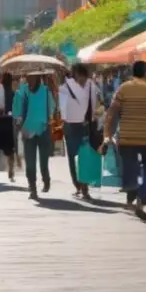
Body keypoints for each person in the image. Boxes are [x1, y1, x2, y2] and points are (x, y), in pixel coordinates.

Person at [102, 61, 146, 215]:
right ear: (145, 73)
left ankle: (132, 190)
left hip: (128, 136)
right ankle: (142, 197)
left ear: (132, 73)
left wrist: (107, 133)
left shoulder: (123, 88)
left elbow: (112, 112)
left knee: (130, 166)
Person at [14, 70, 55, 200]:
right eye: (28, 76)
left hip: (43, 131)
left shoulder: (46, 91)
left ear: (38, 77)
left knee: (44, 163)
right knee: (30, 164)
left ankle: (46, 179)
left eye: (33, 76)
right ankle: (32, 188)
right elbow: (16, 111)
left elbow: (52, 109)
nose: (30, 79)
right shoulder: (22, 91)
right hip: (28, 132)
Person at [60, 63, 97, 199]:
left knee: (77, 157)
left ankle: (81, 186)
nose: (82, 81)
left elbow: (63, 109)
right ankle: (81, 186)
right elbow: (93, 105)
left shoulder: (65, 87)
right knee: (80, 156)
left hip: (75, 125)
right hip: (80, 125)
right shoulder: (90, 86)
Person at [0, 72, 17, 181]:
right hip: (9, 122)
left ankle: (6, 165)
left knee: (1, 145)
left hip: (0, 121)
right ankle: (11, 168)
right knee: (10, 148)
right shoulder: (14, 93)